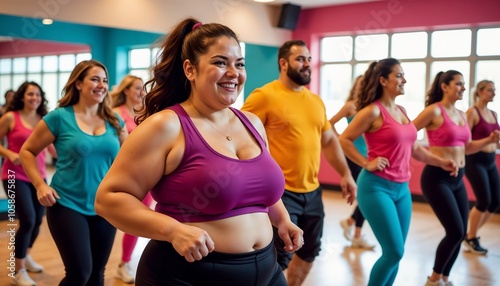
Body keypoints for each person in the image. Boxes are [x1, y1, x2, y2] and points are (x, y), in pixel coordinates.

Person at [95, 18, 303, 286]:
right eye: (220, 62)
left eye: (239, 64)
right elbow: (108, 198)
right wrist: (173, 231)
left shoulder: (251, 123)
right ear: (190, 70)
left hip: (267, 269)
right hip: (186, 275)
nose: (233, 72)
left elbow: (257, 186)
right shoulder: (166, 126)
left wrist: (283, 220)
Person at [242, 39, 357, 286]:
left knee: (309, 250)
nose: (307, 64)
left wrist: (346, 174)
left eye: (308, 59)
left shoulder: (315, 101)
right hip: (280, 193)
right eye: (300, 59)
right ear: (283, 63)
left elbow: (328, 141)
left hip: (312, 192)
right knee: (279, 256)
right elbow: (241, 134)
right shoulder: (264, 96)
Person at [339, 58, 458, 286]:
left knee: (397, 254)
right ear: (383, 80)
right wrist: (366, 163)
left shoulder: (402, 111)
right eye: (399, 75)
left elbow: (415, 150)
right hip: (376, 188)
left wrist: (440, 162)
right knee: (393, 252)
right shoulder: (372, 111)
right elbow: (344, 139)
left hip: (401, 189)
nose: (405, 80)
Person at [19, 59, 128, 286]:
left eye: (105, 80)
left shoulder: (114, 120)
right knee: (79, 274)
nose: (102, 85)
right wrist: (40, 185)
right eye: (95, 79)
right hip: (67, 204)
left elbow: (127, 161)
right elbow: (27, 151)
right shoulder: (59, 117)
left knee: (97, 274)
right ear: (78, 84)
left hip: (105, 206)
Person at [413, 71, 500, 286]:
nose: (462, 88)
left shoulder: (461, 114)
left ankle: (444, 277)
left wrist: (489, 139)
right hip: (436, 178)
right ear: (445, 86)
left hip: (457, 178)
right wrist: (433, 158)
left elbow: (468, 147)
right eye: (458, 84)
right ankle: (433, 279)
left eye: (463, 84)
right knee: (456, 231)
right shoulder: (434, 111)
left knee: (459, 233)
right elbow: (407, 134)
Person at [0, 82, 49, 286]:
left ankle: (25, 255)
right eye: (30, 94)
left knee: (38, 220)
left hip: (39, 176)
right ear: (22, 96)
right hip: (13, 175)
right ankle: (18, 270)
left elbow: (53, 147)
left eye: (37, 94)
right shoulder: (11, 117)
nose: (34, 98)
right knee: (27, 219)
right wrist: (9, 153)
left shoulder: (43, 120)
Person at [110, 74, 154, 283]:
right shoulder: (115, 114)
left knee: (138, 221)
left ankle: (124, 263)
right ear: (126, 90)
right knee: (113, 221)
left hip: (145, 177)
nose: (141, 92)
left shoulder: (145, 114)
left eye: (142, 88)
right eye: (137, 88)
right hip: (122, 176)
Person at [329, 75, 375, 249]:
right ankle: (355, 232)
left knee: (365, 195)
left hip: (368, 157)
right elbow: (329, 123)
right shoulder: (351, 106)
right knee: (365, 194)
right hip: (354, 156)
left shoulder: (370, 107)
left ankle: (351, 225)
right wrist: (341, 138)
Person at [463, 80, 500, 255]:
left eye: (494, 90)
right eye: (490, 90)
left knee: (496, 202)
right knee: (484, 200)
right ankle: (471, 237)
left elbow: (495, 140)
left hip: (490, 160)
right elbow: (465, 142)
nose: (493, 93)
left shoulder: (493, 113)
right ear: (480, 92)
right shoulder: (472, 113)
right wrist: (489, 140)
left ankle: (471, 234)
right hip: (475, 160)